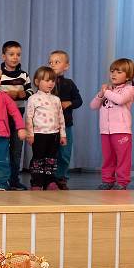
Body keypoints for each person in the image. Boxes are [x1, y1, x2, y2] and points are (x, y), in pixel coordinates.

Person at [90, 58, 134, 190]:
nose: (113, 74)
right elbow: (93, 106)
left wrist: (107, 92)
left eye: (118, 72)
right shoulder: (108, 90)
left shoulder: (130, 89)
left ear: (128, 75)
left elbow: (120, 100)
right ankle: (107, 180)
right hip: (105, 131)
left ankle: (122, 181)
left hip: (121, 131)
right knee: (108, 157)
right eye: (112, 71)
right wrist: (101, 93)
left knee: (122, 158)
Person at [25, 66, 66, 190]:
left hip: (54, 134)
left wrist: (62, 134)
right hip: (39, 134)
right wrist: (30, 134)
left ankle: (49, 181)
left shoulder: (56, 99)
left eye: (52, 81)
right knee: (38, 158)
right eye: (47, 80)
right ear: (37, 82)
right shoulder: (33, 99)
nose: (50, 83)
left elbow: (61, 118)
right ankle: (37, 182)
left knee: (51, 159)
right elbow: (28, 118)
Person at [0, 41, 33, 190]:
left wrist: (20, 94)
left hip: (18, 116)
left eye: (18, 54)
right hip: (1, 117)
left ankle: (14, 180)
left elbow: (31, 92)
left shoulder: (24, 75)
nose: (15, 57)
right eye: (11, 54)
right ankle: (1, 180)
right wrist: (6, 96)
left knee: (16, 150)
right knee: (1, 149)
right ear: (3, 56)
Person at [49, 50, 82, 189]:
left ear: (66, 66)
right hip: (48, 126)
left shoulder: (69, 83)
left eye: (57, 62)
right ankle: (48, 179)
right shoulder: (46, 83)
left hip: (66, 125)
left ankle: (61, 177)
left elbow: (79, 101)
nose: (53, 65)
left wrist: (69, 103)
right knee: (50, 153)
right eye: (50, 62)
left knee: (64, 153)